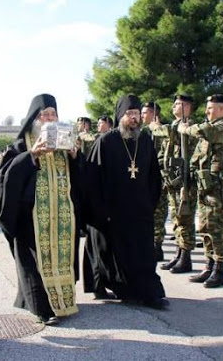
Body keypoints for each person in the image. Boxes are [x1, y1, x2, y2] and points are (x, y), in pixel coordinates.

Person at [0, 94, 82, 324]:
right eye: (44, 114)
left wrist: (75, 157)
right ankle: (44, 308)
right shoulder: (23, 142)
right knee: (35, 262)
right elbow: (5, 175)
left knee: (61, 258)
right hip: (32, 216)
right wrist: (32, 155)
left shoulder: (65, 141)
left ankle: (64, 303)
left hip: (62, 214)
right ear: (35, 118)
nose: (49, 118)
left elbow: (82, 177)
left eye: (53, 114)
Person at [83, 94, 167, 309]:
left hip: (140, 210)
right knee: (115, 253)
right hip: (115, 211)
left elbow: (153, 176)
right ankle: (127, 289)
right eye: (129, 114)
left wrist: (150, 203)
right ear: (120, 116)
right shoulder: (106, 141)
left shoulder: (145, 140)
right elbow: (93, 180)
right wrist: (101, 211)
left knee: (144, 252)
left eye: (137, 114)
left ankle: (150, 292)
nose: (134, 118)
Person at [178, 94, 223, 288]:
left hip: (217, 186)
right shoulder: (208, 130)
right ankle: (209, 265)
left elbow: (204, 130)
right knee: (205, 226)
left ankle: (220, 269)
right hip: (204, 185)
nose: (207, 111)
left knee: (217, 227)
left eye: (211, 108)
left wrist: (186, 128)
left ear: (222, 109)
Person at [159, 94, 198, 272]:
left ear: (188, 107)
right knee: (176, 218)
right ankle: (179, 253)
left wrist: (156, 127)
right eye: (174, 104)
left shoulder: (188, 126)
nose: (174, 107)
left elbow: (171, 134)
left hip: (186, 180)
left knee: (185, 218)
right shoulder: (176, 125)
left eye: (179, 104)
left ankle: (186, 256)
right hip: (174, 177)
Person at [141, 101, 168, 262]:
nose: (142, 116)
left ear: (154, 114)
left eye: (145, 113)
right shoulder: (143, 132)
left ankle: (157, 246)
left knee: (159, 212)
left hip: (161, 177)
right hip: (145, 177)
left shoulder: (163, 131)